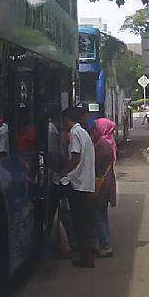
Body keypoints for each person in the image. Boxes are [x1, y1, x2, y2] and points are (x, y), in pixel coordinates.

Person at [57, 106, 97, 268]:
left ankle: (85, 258)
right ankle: (87, 256)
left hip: (78, 184)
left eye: (63, 121)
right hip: (86, 183)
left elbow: (75, 158)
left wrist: (62, 173)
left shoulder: (74, 133)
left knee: (79, 223)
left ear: (68, 120)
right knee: (84, 222)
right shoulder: (84, 133)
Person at [91, 117, 118, 257]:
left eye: (95, 128)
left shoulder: (102, 145)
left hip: (101, 184)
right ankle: (105, 243)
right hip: (107, 183)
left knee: (97, 214)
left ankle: (105, 244)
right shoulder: (108, 141)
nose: (93, 131)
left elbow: (95, 166)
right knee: (102, 214)